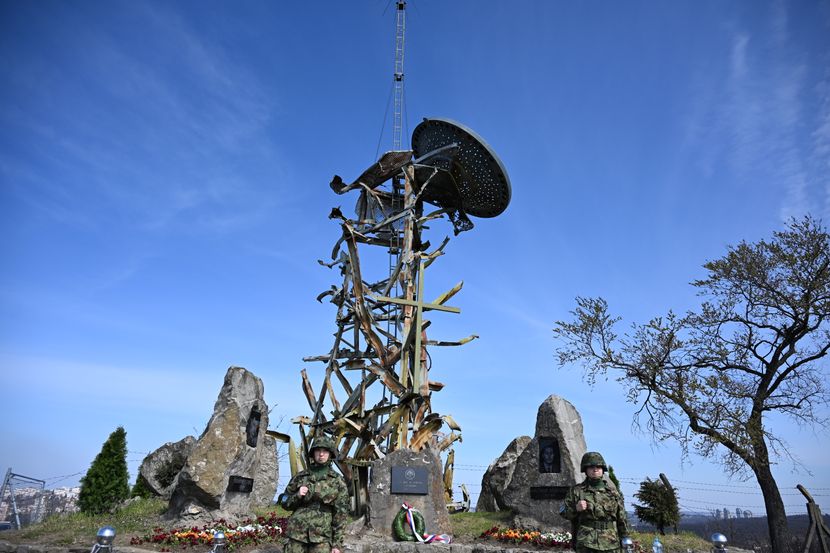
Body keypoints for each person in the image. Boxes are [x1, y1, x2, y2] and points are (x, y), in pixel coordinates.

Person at [282, 436, 350, 553]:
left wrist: (337, 545)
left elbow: (341, 514)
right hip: (296, 534)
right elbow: (284, 502)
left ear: (330, 454)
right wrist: (297, 495)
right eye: (318, 450)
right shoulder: (300, 477)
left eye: (325, 451)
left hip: (321, 538)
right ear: (313, 453)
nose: (321, 454)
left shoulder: (337, 481)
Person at [561, 451, 630, 553]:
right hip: (586, 543)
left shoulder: (613, 493)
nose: (595, 469)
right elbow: (563, 512)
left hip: (611, 543)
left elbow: (622, 518)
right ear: (585, 469)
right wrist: (576, 509)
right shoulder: (576, 491)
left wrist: (625, 537)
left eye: (598, 467)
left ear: (603, 469)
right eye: (591, 467)